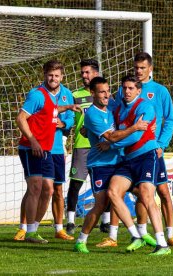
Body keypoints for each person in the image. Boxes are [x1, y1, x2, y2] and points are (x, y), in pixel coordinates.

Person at [98, 52, 173, 249]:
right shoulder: (121, 96)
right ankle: (134, 234)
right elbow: (115, 119)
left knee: (159, 192)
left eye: (142, 68)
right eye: (136, 68)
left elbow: (168, 120)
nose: (139, 71)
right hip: (127, 153)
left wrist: (161, 143)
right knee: (124, 192)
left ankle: (167, 236)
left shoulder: (158, 92)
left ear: (150, 69)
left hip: (150, 151)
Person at [73, 76, 148, 253]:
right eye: (102, 92)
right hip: (100, 164)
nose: (107, 95)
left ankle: (142, 234)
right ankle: (81, 240)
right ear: (92, 93)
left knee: (143, 192)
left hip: (120, 161)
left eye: (108, 90)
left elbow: (128, 112)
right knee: (101, 204)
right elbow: (112, 137)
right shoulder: (91, 114)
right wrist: (135, 128)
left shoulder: (113, 105)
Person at [14, 60, 79, 243]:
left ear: (62, 77)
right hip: (31, 148)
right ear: (44, 75)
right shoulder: (37, 95)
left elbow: (50, 110)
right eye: (50, 75)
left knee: (49, 189)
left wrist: (68, 108)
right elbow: (20, 118)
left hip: (47, 149)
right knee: (34, 187)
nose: (53, 78)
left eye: (56, 75)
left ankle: (34, 229)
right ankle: (28, 231)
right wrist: (33, 141)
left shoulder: (56, 96)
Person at [106, 75, 171, 255]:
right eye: (124, 88)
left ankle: (162, 244)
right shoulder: (118, 109)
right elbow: (111, 129)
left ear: (138, 91)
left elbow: (135, 137)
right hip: (128, 159)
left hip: (146, 156)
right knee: (113, 192)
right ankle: (136, 235)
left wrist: (111, 142)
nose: (127, 91)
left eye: (131, 88)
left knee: (146, 195)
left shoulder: (145, 107)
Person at [66, 59, 103, 235]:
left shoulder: (105, 94)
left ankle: (106, 221)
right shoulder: (75, 95)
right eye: (82, 73)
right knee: (75, 184)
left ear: (96, 73)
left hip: (102, 146)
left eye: (87, 72)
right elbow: (68, 119)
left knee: (104, 184)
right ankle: (71, 222)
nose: (84, 76)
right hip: (82, 146)